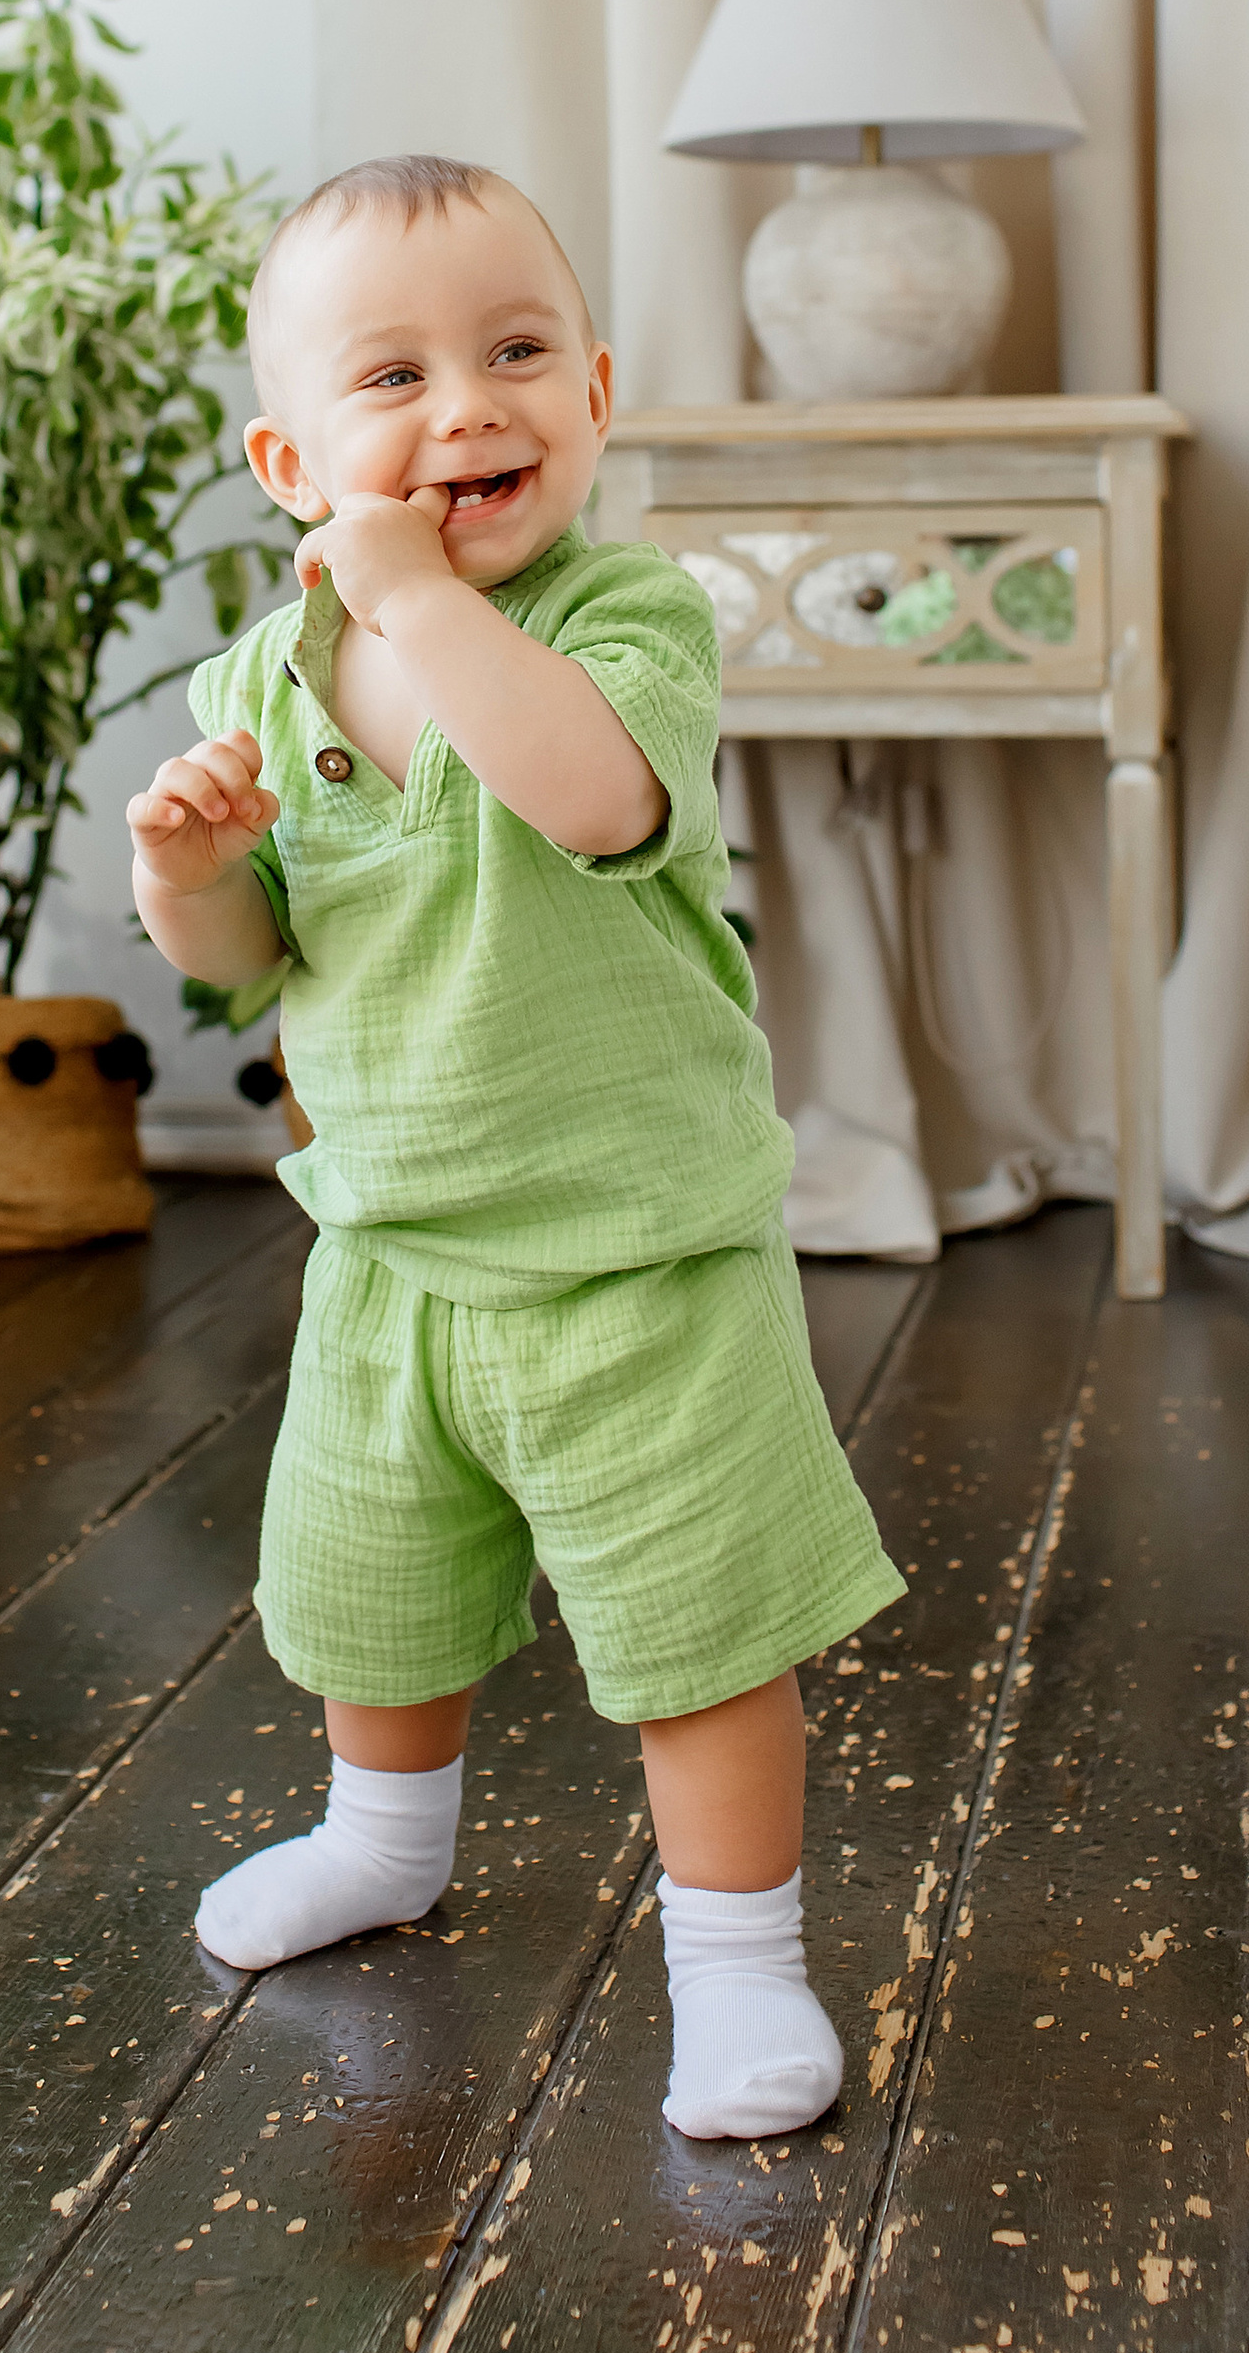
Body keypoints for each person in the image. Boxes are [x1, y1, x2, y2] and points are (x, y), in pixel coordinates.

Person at [125, 153, 902, 2140]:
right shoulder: (258, 685)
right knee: (367, 1589)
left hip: (636, 1255)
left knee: (694, 1631)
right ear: (289, 458)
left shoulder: (624, 618)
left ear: (598, 393)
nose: (467, 403)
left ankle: (735, 1968)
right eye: (393, 376)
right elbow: (246, 962)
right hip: (389, 1248)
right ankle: (381, 1838)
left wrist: (407, 592)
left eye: (515, 352)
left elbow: (576, 796)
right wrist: (185, 873)